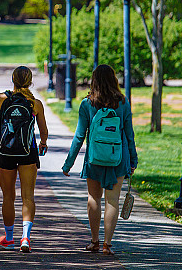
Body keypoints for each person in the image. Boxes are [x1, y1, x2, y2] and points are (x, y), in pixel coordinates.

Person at [62, 64, 138, 255]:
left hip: (94, 160)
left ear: (93, 80)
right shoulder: (123, 103)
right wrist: (133, 161)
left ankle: (94, 241)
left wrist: (68, 163)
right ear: (114, 80)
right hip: (118, 160)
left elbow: (79, 136)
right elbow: (129, 135)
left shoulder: (87, 104)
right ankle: (107, 244)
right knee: (112, 201)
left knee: (93, 198)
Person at [0, 66, 48, 252]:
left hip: (6, 153)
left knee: (8, 197)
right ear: (30, 81)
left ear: (12, 79)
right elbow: (43, 131)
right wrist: (43, 143)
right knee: (28, 196)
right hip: (28, 153)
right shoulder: (35, 103)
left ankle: (9, 238)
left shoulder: (0, 98)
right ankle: (26, 238)